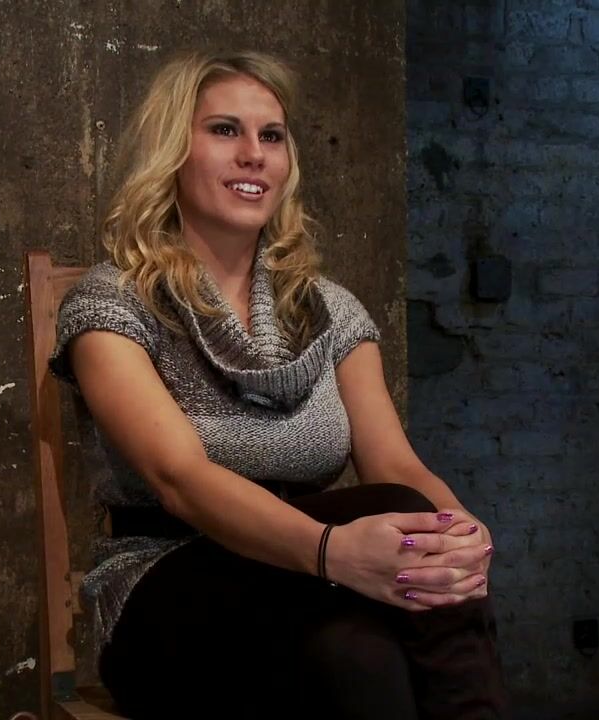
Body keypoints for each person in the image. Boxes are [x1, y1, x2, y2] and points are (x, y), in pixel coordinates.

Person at [48, 49, 509, 719]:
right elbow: (180, 479)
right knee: (400, 519)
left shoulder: (331, 311)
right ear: (172, 151)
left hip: (309, 588)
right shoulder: (112, 304)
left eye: (271, 136)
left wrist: (463, 537)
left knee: (363, 657)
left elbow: (394, 463)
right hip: (166, 592)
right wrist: (331, 550)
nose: (253, 155)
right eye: (224, 130)